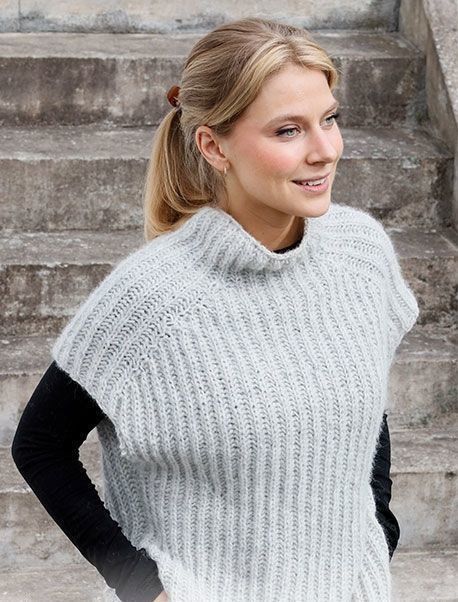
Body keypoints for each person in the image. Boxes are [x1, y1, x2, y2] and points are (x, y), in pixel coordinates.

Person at [11, 16, 418, 602]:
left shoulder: (361, 253)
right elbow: (40, 447)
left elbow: (364, 399)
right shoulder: (150, 300)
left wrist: (377, 525)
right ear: (212, 145)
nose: (325, 150)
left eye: (329, 119)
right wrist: (143, 587)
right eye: (288, 130)